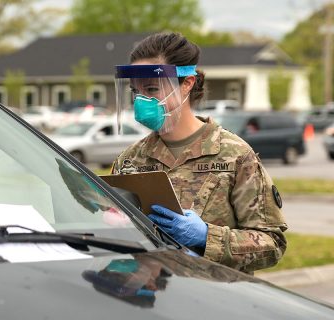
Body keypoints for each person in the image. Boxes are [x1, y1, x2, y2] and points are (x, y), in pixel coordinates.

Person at [111, 32, 287, 274]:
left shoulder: (234, 155)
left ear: (187, 84)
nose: (141, 100)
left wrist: (206, 238)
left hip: (214, 301)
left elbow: (272, 245)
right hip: (151, 299)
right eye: (135, 91)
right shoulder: (130, 160)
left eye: (152, 88)